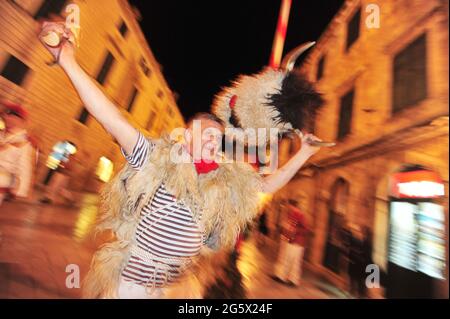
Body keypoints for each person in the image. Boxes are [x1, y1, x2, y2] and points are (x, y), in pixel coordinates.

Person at [38, 21, 323, 299]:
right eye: (206, 134)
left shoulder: (224, 177)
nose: (213, 141)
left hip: (176, 286)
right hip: (133, 285)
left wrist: (304, 153)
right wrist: (68, 60)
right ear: (186, 139)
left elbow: (267, 185)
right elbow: (108, 116)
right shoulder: (157, 159)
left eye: (217, 137)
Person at [0, 101, 35, 206]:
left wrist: (22, 189)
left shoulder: (24, 142)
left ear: (20, 120)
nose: (8, 120)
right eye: (6, 117)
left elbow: (25, 167)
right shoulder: (2, 135)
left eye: (12, 117)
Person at [271, 199, 309, 287]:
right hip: (289, 240)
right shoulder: (290, 214)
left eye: (288, 205)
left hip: (296, 242)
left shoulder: (300, 214)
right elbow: (289, 226)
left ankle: (294, 280)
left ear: (292, 205)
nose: (287, 207)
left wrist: (295, 231)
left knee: (294, 261)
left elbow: (306, 229)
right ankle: (281, 276)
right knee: (285, 259)